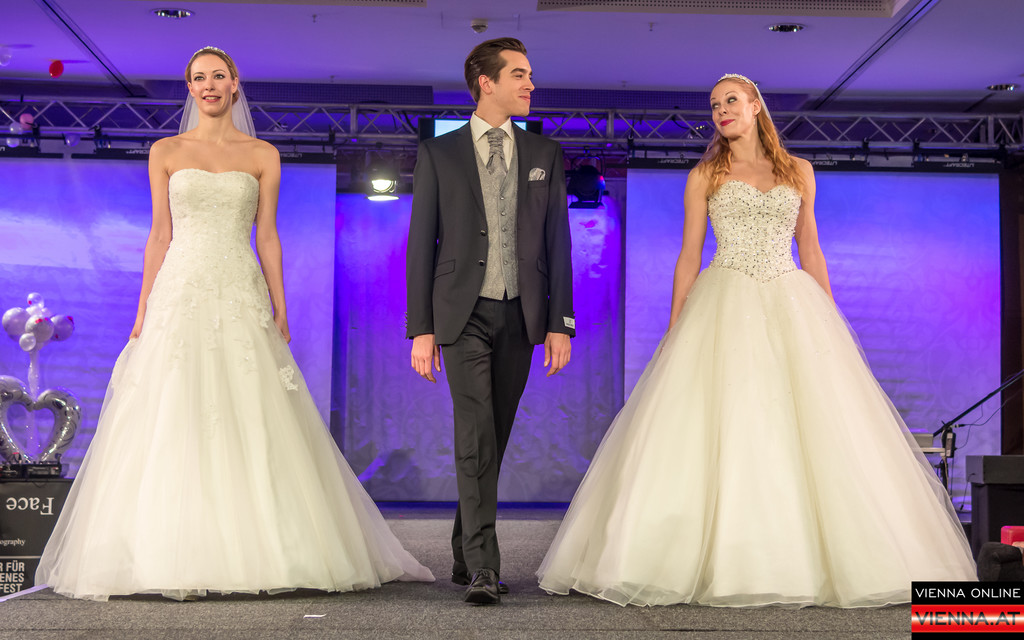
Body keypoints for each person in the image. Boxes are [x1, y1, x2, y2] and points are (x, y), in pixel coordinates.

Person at [536, 73, 977, 608]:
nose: (721, 110)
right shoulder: (705, 174)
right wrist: (675, 327)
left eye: (731, 101)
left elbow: (810, 248)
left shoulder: (799, 170)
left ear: (756, 106)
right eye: (714, 105)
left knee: (808, 424)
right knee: (727, 419)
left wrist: (830, 320)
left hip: (790, 299)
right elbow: (688, 256)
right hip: (724, 299)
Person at [35, 46, 433, 601]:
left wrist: (281, 303)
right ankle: (164, 549)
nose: (209, 85)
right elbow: (159, 234)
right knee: (174, 405)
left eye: (218, 76)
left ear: (235, 83)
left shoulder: (263, 154)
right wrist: (143, 307)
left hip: (240, 287)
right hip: (179, 290)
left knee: (250, 405)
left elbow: (267, 234)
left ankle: (264, 546)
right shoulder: (166, 151)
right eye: (199, 78)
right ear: (189, 87)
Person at [406, 37, 574, 605]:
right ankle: (484, 568)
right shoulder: (439, 153)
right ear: (487, 82)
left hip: (523, 315)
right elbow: (421, 244)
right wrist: (421, 327)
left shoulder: (545, 153)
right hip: (461, 314)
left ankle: (463, 550)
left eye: (529, 75)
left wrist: (560, 322)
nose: (530, 84)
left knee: (493, 438)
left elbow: (557, 242)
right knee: (475, 434)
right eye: (519, 74)